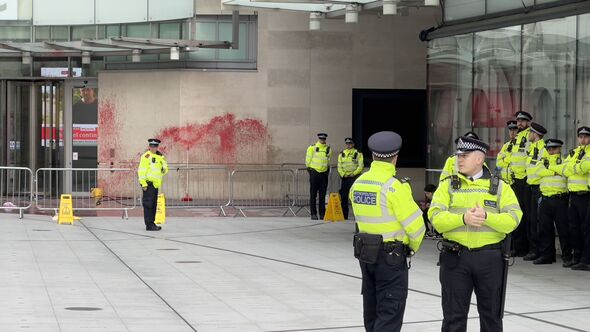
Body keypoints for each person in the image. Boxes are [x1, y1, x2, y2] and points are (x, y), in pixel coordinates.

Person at [428, 136, 522, 332]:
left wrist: (487, 217)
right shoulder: (447, 185)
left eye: (464, 155)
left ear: (479, 159)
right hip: (456, 258)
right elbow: (435, 218)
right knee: (453, 317)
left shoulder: (499, 187)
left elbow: (514, 219)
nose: (459, 159)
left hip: (490, 259)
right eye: (458, 155)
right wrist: (463, 219)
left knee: (491, 318)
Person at [350, 131, 425, 332]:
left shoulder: (358, 183)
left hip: (366, 254)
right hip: (391, 257)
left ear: (373, 155)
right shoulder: (395, 187)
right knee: (390, 311)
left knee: (372, 309)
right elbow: (417, 226)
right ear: (395, 157)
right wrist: (411, 248)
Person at [549, 126, 590, 269]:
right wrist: (574, 168)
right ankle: (577, 257)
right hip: (573, 195)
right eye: (581, 136)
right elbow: (565, 170)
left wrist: (574, 168)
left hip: (586, 195)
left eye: (586, 136)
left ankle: (586, 260)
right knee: (574, 228)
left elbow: (585, 167)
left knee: (586, 229)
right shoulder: (574, 152)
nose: (583, 139)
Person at [536, 139, 571, 265]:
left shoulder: (566, 160)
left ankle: (567, 256)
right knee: (545, 229)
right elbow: (538, 172)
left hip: (560, 199)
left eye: (554, 148)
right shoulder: (542, 161)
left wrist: (549, 169)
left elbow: (566, 171)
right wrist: (556, 170)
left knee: (563, 230)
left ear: (560, 148)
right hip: (545, 199)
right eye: (549, 149)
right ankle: (547, 256)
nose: (551, 151)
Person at [523, 122, 547, 262]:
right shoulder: (532, 148)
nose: (528, 135)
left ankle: (538, 250)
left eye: (530, 132)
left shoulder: (543, 149)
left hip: (538, 188)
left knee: (538, 221)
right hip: (530, 186)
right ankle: (533, 249)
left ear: (535, 134)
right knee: (531, 219)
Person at [510, 111, 533, 257]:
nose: (519, 123)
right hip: (516, 180)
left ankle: (527, 248)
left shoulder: (530, 135)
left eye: (522, 121)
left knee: (527, 216)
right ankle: (519, 248)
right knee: (518, 214)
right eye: (518, 121)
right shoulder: (517, 137)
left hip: (525, 180)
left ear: (528, 122)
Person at [137, 138, 168, 231]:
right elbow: (141, 171)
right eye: (151, 146)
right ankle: (149, 224)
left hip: (155, 185)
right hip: (148, 184)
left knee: (153, 205)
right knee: (148, 205)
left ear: (157, 147)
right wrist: (143, 184)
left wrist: (163, 168)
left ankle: (152, 223)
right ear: (149, 146)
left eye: (155, 146)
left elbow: (165, 169)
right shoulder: (146, 156)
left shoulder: (160, 156)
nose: (153, 148)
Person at [306, 133, 332, 220]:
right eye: (321, 139)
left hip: (324, 174)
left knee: (322, 195)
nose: (322, 141)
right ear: (318, 139)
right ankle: (313, 214)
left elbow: (328, 161)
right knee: (313, 194)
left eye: (324, 139)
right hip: (314, 173)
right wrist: (310, 170)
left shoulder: (328, 149)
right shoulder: (312, 147)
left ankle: (322, 213)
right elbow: (308, 160)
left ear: (325, 140)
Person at [338, 137, 364, 219]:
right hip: (345, 178)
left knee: (355, 197)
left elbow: (360, 166)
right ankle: (344, 216)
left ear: (353, 144)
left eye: (350, 143)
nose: (348, 145)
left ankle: (357, 216)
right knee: (344, 197)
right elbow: (339, 166)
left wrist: (354, 173)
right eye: (347, 143)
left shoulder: (358, 153)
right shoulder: (342, 153)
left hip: (354, 178)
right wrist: (343, 174)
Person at [496, 120, 519, 184]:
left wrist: (505, 159)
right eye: (510, 130)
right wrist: (508, 160)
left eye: (514, 130)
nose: (512, 132)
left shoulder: (521, 146)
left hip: (515, 181)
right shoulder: (506, 145)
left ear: (518, 131)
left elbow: (516, 162)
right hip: (505, 181)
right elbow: (498, 163)